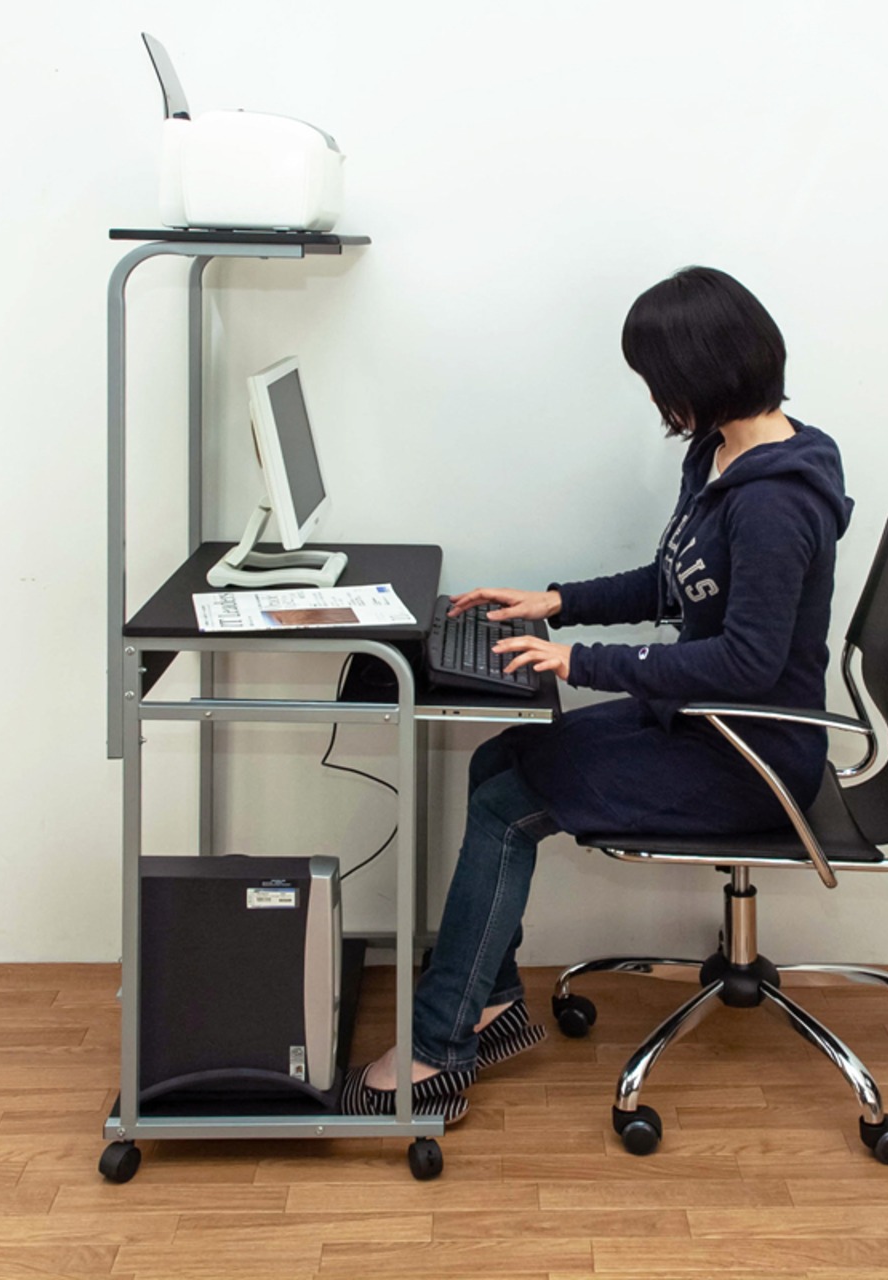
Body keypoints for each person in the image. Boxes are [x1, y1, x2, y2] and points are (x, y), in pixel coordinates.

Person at [341, 265, 853, 1121]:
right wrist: (556, 603)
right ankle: (490, 1004)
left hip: (752, 756)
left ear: (702, 373)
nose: (656, 398)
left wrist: (579, 662)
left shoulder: (775, 503)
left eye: (659, 379)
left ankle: (436, 1050)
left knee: (506, 803)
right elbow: (672, 582)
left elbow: (746, 664)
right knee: (499, 761)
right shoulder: (720, 452)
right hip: (702, 724)